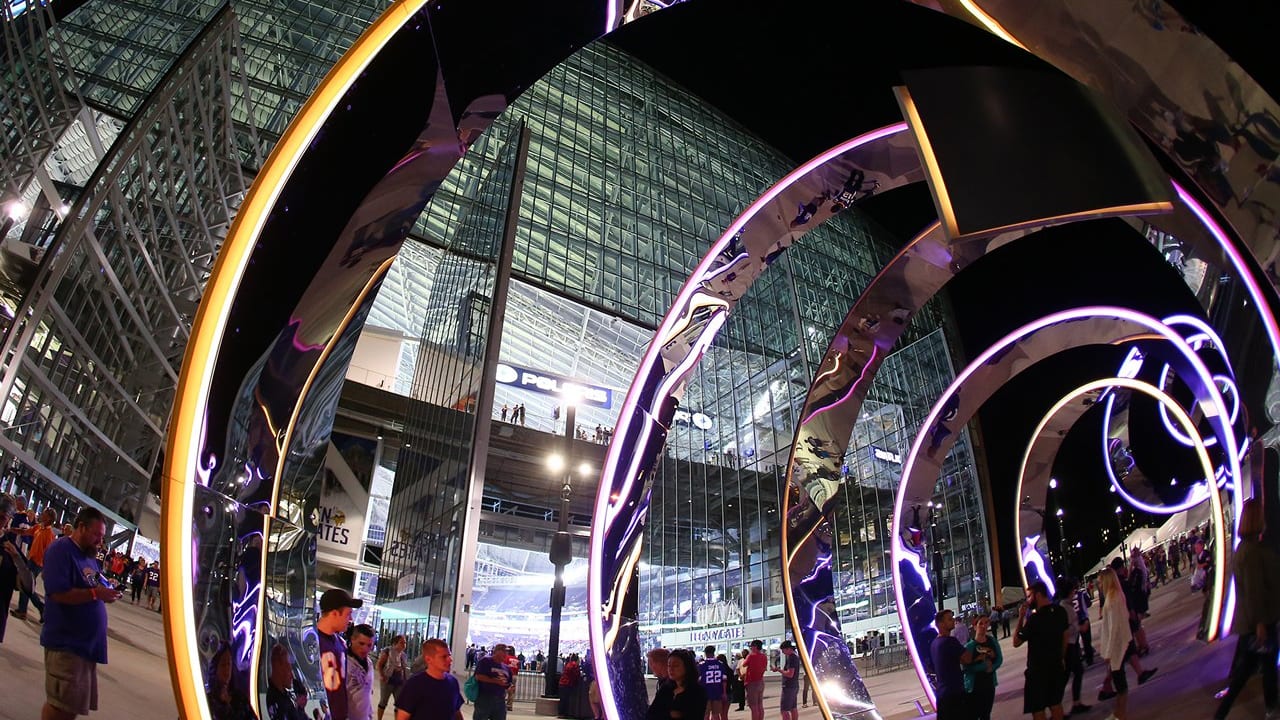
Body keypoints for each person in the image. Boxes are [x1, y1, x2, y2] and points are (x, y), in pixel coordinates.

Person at [40, 506, 119, 720]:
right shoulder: (61, 551)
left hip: (84, 648)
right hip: (66, 645)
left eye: (102, 537)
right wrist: (96, 594)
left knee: (70, 708)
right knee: (59, 707)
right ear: (81, 527)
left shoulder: (88, 556)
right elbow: (58, 593)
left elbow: (94, 582)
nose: (99, 541)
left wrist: (107, 588)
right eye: (96, 535)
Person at [1213, 498, 1280, 720]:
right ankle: (1271, 708)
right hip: (1259, 621)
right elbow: (1255, 590)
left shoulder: (1244, 549)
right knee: (1262, 668)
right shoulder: (1251, 552)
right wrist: (1261, 623)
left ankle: (1223, 712)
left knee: (1247, 671)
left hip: (1251, 621)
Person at [1013, 581, 1067, 720]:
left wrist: (1020, 618)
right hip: (1056, 666)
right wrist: (1061, 657)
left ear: (1037, 595)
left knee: (1038, 710)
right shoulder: (1060, 611)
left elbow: (1016, 642)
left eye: (1029, 596)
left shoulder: (1034, 620)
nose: (1028, 600)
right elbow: (1065, 637)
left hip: (1037, 672)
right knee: (1056, 704)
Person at [318, 588, 364, 720]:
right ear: (334, 613)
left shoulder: (340, 643)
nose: (351, 619)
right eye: (348, 614)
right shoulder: (311, 642)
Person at [1097, 568, 1134, 720]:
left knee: (1120, 685)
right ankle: (1118, 713)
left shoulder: (1113, 598)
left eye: (1100, 581)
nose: (1099, 585)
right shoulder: (1116, 595)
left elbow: (1113, 627)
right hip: (1120, 643)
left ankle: (1121, 714)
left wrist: (1109, 651)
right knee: (1119, 682)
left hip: (1118, 646)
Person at [395, 639, 464, 720]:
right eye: (444, 656)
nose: (450, 659)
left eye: (449, 655)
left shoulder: (453, 682)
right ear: (428, 659)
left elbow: (456, 712)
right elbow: (402, 717)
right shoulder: (415, 685)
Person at [930, 609, 972, 720]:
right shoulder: (949, 641)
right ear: (941, 624)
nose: (953, 620)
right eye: (949, 619)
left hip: (942, 694)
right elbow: (967, 659)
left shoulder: (934, 643)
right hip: (954, 692)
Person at [13, 507, 54, 622]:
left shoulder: (49, 534)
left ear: (49, 517)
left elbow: (49, 552)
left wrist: (46, 568)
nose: (41, 514)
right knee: (27, 586)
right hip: (31, 560)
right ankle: (38, 608)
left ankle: (25, 611)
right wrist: (12, 530)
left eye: (44, 513)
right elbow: (25, 532)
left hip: (37, 564)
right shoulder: (38, 527)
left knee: (26, 585)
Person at [1057, 583, 1090, 717]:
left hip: (1073, 644)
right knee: (1067, 676)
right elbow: (1066, 629)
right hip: (1070, 645)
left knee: (1075, 673)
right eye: (1073, 592)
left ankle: (1074, 703)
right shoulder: (1065, 608)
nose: (1074, 594)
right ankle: (1057, 706)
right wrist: (1081, 628)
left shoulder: (1066, 606)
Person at [963, 615, 1002, 720]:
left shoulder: (992, 641)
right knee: (974, 715)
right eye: (981, 623)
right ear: (975, 626)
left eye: (986, 623)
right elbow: (966, 668)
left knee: (986, 714)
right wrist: (983, 666)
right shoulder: (969, 646)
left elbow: (999, 659)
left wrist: (992, 667)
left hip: (989, 684)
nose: (984, 626)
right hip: (974, 686)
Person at [207, 644, 258, 720]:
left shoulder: (240, 699)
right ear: (215, 668)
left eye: (229, 664)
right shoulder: (208, 701)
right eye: (223, 665)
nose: (227, 669)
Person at [656, 650, 707, 720]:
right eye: (669, 665)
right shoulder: (665, 688)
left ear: (687, 667)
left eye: (675, 665)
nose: (671, 669)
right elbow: (652, 713)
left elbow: (696, 716)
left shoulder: (697, 691)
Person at [266, 644, 310, 720]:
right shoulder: (275, 700)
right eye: (288, 668)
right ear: (278, 667)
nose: (292, 676)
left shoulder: (285, 696)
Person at [474, 641, 512, 720]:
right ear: (497, 651)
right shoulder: (486, 661)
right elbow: (478, 676)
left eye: (507, 652)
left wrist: (510, 688)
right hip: (485, 698)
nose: (506, 654)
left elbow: (508, 683)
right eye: (504, 651)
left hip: (500, 700)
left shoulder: (507, 668)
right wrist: (496, 681)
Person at [347, 624, 377, 720]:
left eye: (369, 645)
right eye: (361, 643)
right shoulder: (343, 662)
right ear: (352, 639)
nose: (365, 649)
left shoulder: (369, 663)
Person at [377, 635, 410, 720]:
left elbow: (404, 668)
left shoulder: (403, 655)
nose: (404, 644)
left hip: (399, 681)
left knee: (399, 703)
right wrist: (381, 675)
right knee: (383, 701)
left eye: (405, 643)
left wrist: (406, 680)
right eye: (401, 642)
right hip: (388, 679)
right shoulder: (387, 651)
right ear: (395, 643)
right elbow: (379, 664)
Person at [698, 646, 728, 720]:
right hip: (717, 691)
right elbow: (724, 680)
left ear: (705, 653)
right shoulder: (720, 664)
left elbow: (698, 680)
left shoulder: (702, 665)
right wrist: (724, 692)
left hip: (705, 693)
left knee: (705, 714)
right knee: (716, 714)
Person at [742, 640, 768, 720]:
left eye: (751, 646)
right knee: (760, 705)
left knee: (753, 706)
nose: (750, 648)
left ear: (755, 647)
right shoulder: (764, 656)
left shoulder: (751, 656)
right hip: (760, 681)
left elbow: (744, 664)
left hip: (751, 682)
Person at [648, 648, 674, 720]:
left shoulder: (670, 685)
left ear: (659, 664)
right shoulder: (663, 682)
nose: (650, 667)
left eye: (651, 663)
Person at [775, 641, 799, 720]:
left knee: (784, 710)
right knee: (793, 707)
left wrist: (779, 670)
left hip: (788, 686)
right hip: (794, 685)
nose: (783, 652)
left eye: (783, 650)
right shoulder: (795, 656)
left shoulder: (792, 657)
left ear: (788, 649)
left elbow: (790, 674)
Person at [503, 645, 521, 710]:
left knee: (503, 690)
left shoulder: (506, 658)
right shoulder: (516, 659)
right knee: (512, 691)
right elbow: (518, 668)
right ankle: (509, 705)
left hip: (507, 675)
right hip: (514, 676)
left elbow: (503, 666)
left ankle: (501, 704)